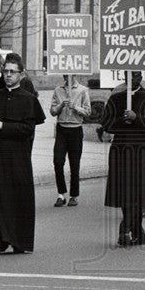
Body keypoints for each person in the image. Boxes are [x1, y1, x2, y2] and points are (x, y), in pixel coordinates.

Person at [0, 54, 47, 255]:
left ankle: (16, 239)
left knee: (14, 197)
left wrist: (3, 125)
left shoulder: (28, 99)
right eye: (5, 71)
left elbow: (27, 129)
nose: (7, 75)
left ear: (21, 74)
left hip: (16, 157)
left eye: (12, 72)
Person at [101, 72, 145, 246]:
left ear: (140, 76)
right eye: (129, 75)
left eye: (136, 75)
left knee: (137, 191)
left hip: (143, 151)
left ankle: (125, 228)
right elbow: (106, 123)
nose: (132, 79)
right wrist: (123, 120)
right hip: (121, 150)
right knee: (124, 190)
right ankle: (136, 230)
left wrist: (138, 118)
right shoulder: (116, 97)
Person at [51, 74, 91, 207]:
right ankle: (61, 194)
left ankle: (74, 195)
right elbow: (52, 111)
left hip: (75, 129)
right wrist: (61, 105)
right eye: (64, 74)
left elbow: (88, 112)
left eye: (69, 74)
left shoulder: (82, 90)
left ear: (75, 74)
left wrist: (76, 107)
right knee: (58, 161)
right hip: (62, 128)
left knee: (74, 164)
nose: (66, 77)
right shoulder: (58, 90)